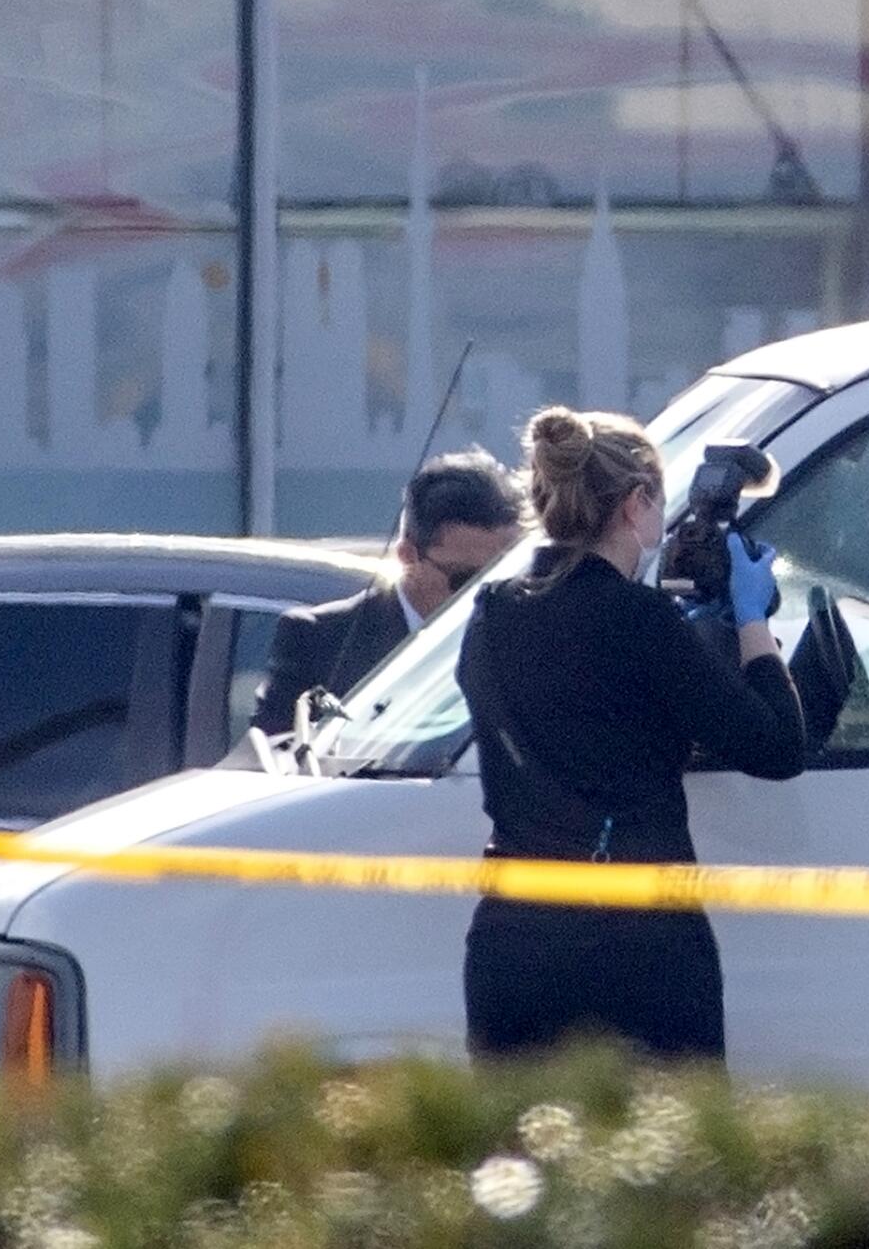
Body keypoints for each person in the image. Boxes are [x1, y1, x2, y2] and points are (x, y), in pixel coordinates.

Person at [456, 406, 804, 1062]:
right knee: (662, 1155)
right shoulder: (640, 621)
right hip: (636, 943)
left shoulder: (492, 613)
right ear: (637, 503)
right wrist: (752, 621)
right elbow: (776, 746)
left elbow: (575, 723)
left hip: (514, 939)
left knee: (519, 1155)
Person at [251, 448, 521, 735]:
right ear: (407, 556)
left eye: (504, 575)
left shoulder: (524, 635)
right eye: (465, 578)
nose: (484, 594)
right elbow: (273, 753)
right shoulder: (319, 640)